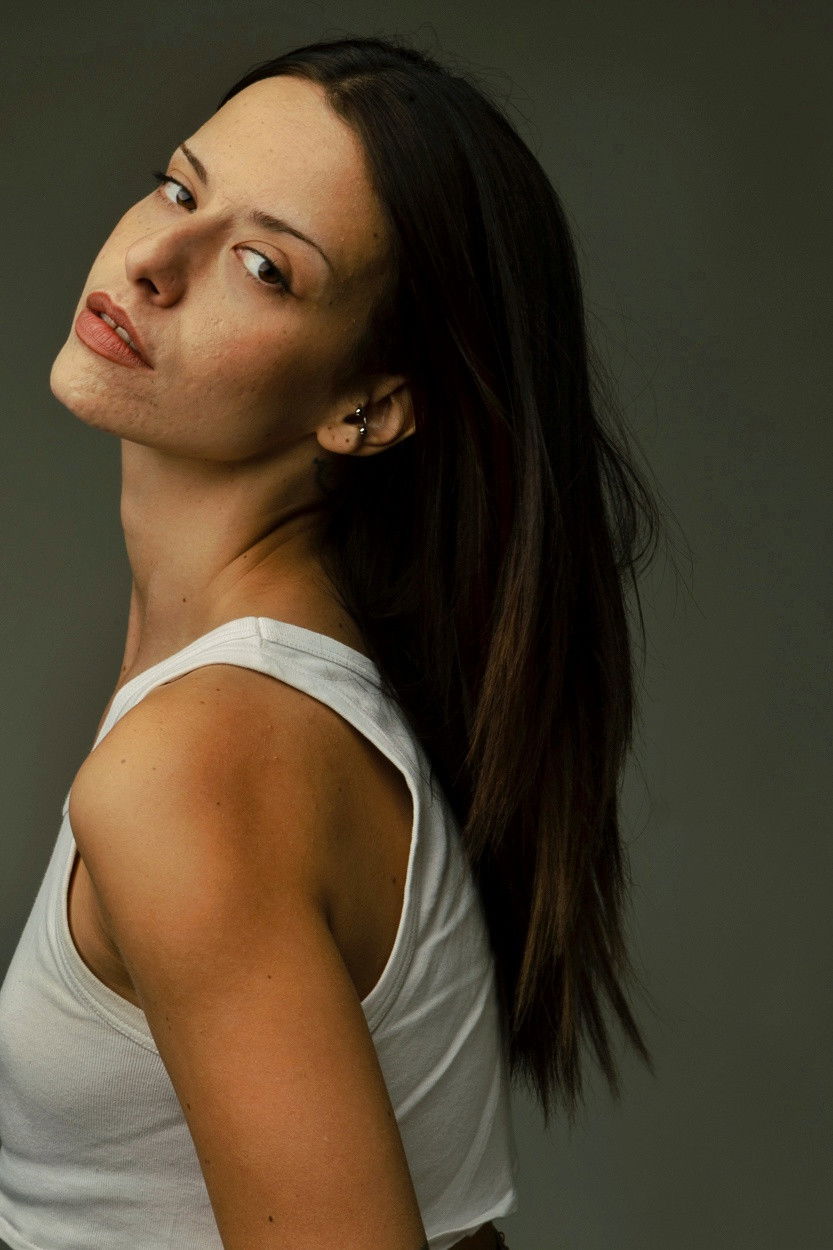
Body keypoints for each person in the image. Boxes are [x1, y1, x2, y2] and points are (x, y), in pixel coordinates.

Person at [0, 34, 663, 1250]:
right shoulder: (290, 697)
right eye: (178, 189)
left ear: (367, 407)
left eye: (262, 266)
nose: (151, 260)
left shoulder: (195, 767)